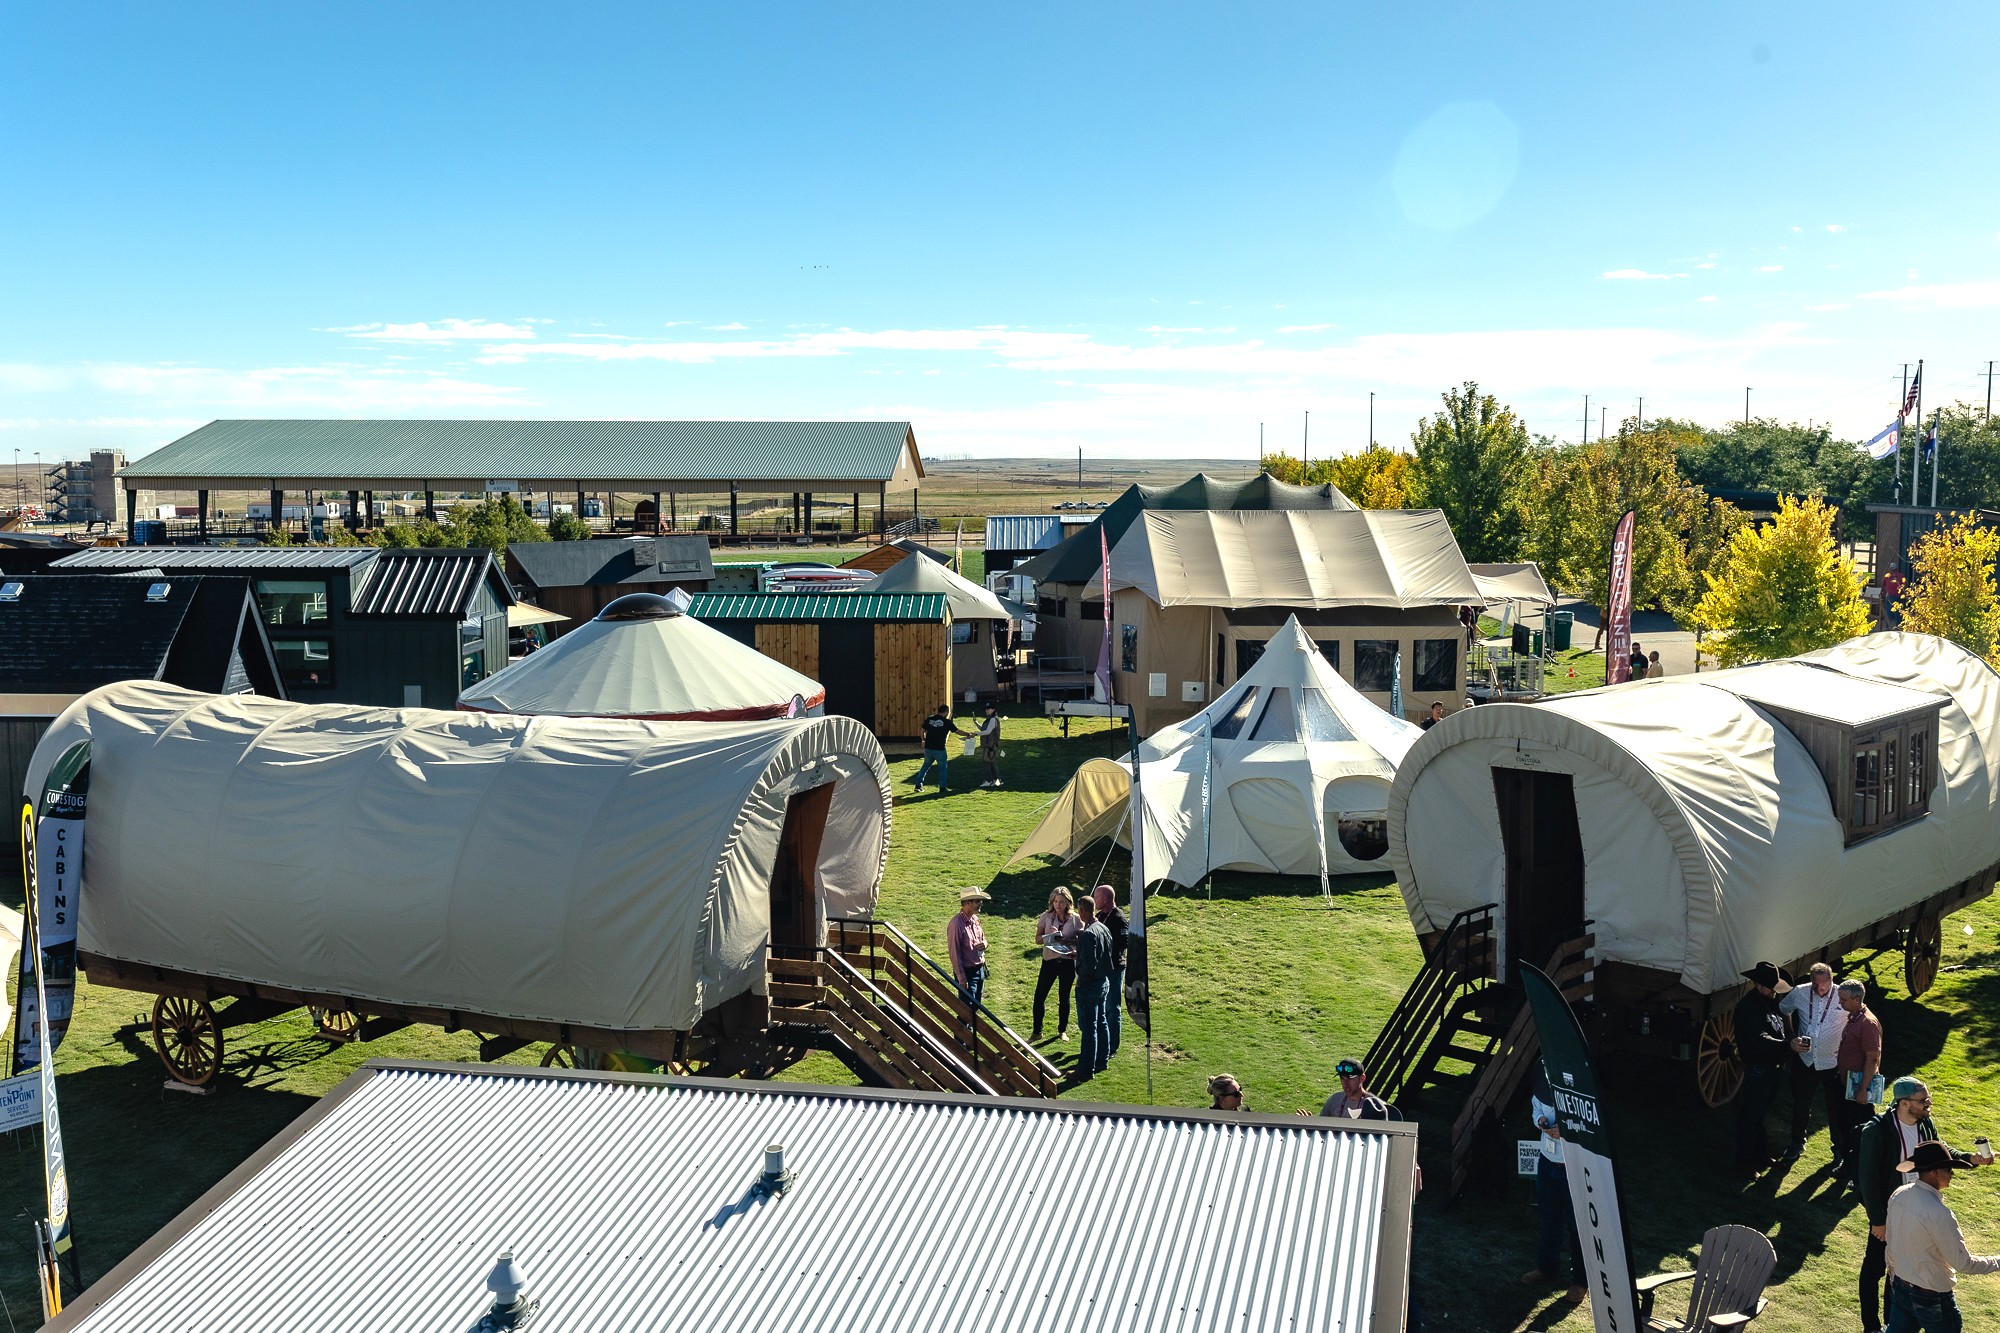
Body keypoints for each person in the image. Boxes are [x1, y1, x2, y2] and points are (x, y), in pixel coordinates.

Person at [1858, 1080, 1995, 1332]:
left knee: (1901, 1270)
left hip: (1918, 1207)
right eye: (1923, 1101)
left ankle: (1891, 1321)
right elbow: (1868, 1178)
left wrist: (1970, 1158)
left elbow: (1941, 1152)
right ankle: (1871, 1326)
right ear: (1904, 1103)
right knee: (1875, 1268)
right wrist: (1878, 1220)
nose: (1928, 1104)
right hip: (1893, 1210)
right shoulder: (1878, 1130)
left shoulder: (1925, 1123)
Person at [1884, 1140, 1999, 1331]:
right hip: (1932, 1297)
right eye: (1948, 1169)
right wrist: (1998, 1261)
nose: (1952, 1174)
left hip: (1901, 1287)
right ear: (1935, 1172)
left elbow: (1891, 1242)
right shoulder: (1939, 1214)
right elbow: (1964, 1264)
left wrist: (1896, 1278)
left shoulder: (1899, 1194)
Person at [1523, 1070, 1588, 1301]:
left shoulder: (1579, 1080)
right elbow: (1537, 1106)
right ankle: (1546, 1269)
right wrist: (1540, 1120)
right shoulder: (1542, 1076)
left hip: (1573, 1166)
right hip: (1547, 1160)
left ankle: (1580, 1280)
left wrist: (1567, 1130)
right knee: (1549, 1220)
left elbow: (1590, 1120)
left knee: (1577, 1226)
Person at [1733, 961, 1794, 1176]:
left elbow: (1780, 1027)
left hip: (1772, 1068)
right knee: (1750, 1117)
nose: (1774, 992)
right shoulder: (1748, 1008)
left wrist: (1789, 1039)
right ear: (1758, 985)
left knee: (1759, 1115)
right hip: (1759, 1068)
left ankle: (1759, 1155)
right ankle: (1744, 1163)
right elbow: (1760, 1039)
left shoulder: (1770, 1002)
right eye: (1770, 988)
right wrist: (1787, 1045)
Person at [1779, 961, 1844, 1161]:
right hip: (1805, 1060)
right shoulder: (1801, 991)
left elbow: (1858, 1018)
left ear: (1831, 980)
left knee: (1835, 1107)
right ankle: (1797, 1142)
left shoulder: (1842, 995)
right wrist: (1791, 1035)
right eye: (1815, 984)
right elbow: (1784, 1009)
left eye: (1823, 985)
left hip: (1832, 1062)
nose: (1819, 989)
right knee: (1801, 1104)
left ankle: (1839, 1148)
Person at [1836, 977, 1884, 1182]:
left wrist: (1863, 1089)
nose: (1840, 1003)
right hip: (1849, 1085)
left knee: (1859, 1133)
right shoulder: (1855, 1016)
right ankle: (1848, 1168)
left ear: (1857, 999)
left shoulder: (1867, 1023)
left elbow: (1872, 1058)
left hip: (1858, 1089)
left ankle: (1858, 1173)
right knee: (1847, 1127)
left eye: (1844, 1000)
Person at [1071, 895, 1114, 1076]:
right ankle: (1102, 1060)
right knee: (1101, 1022)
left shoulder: (1089, 933)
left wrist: (1078, 967)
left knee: (1089, 1029)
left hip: (1089, 986)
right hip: (1103, 982)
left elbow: (1089, 965)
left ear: (1082, 910)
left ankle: (1086, 1069)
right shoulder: (1103, 927)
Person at [1031, 887, 1080, 1042]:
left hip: (1067, 962)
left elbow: (1082, 940)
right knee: (1039, 996)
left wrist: (1069, 943)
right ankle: (1037, 1031)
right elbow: (1037, 939)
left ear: (1068, 903)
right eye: (1056, 901)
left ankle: (1062, 1030)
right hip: (1049, 961)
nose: (1058, 905)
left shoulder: (1075, 919)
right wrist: (1049, 936)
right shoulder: (1046, 916)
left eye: (1062, 902)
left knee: (1064, 997)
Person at [1091, 884, 1128, 1055]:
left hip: (1114, 969)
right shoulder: (1100, 916)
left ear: (1105, 899)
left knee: (1112, 1008)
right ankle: (1102, 1043)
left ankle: (1112, 1046)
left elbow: (1123, 944)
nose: (1094, 900)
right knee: (1102, 1007)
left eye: (1096, 897)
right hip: (1102, 968)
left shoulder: (1118, 918)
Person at [945, 888, 989, 1007]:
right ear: (968, 903)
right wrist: (962, 978)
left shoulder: (975, 919)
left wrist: (984, 944)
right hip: (967, 973)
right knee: (967, 1009)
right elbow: (954, 953)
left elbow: (983, 938)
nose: (981, 904)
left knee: (976, 1006)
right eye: (977, 901)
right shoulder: (956, 924)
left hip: (979, 970)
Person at [914, 703, 964, 793]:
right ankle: (942, 788)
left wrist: (923, 740)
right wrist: (968, 734)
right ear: (946, 712)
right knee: (943, 769)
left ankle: (918, 786)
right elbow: (957, 731)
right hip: (939, 749)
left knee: (925, 766)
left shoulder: (930, 719)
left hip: (928, 748)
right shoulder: (946, 722)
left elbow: (922, 730)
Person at [976, 703, 1003, 788]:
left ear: (993, 709)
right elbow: (983, 729)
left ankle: (989, 781)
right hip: (990, 745)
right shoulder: (991, 719)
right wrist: (975, 722)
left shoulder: (993, 720)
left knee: (986, 763)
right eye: (986, 709)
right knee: (992, 763)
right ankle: (997, 781)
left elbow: (987, 731)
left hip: (990, 745)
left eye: (989, 709)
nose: (986, 710)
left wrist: (976, 734)